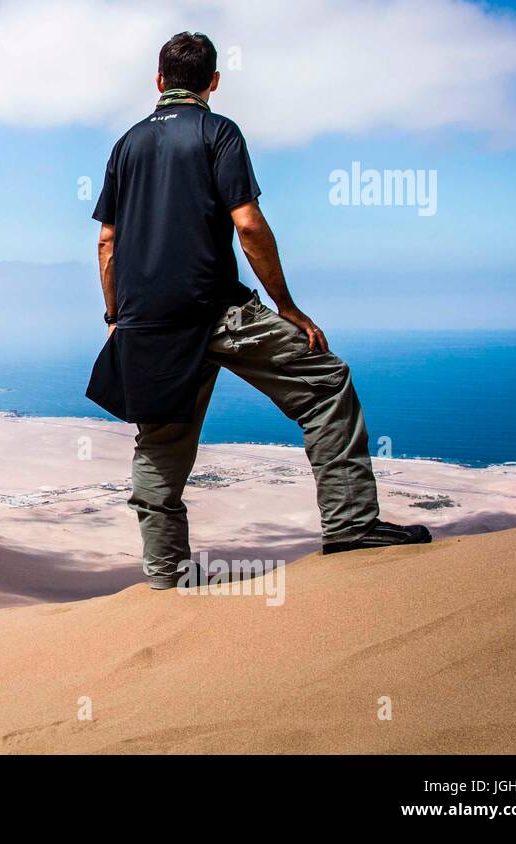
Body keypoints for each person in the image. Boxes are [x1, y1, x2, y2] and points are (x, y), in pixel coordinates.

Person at [86, 31, 430, 589]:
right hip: (218, 311)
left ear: (158, 81)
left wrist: (115, 316)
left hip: (149, 323)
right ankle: (350, 527)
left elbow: (107, 241)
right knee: (326, 384)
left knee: (160, 447)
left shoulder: (125, 145)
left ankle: (165, 579)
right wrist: (287, 306)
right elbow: (247, 224)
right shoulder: (217, 132)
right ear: (213, 82)